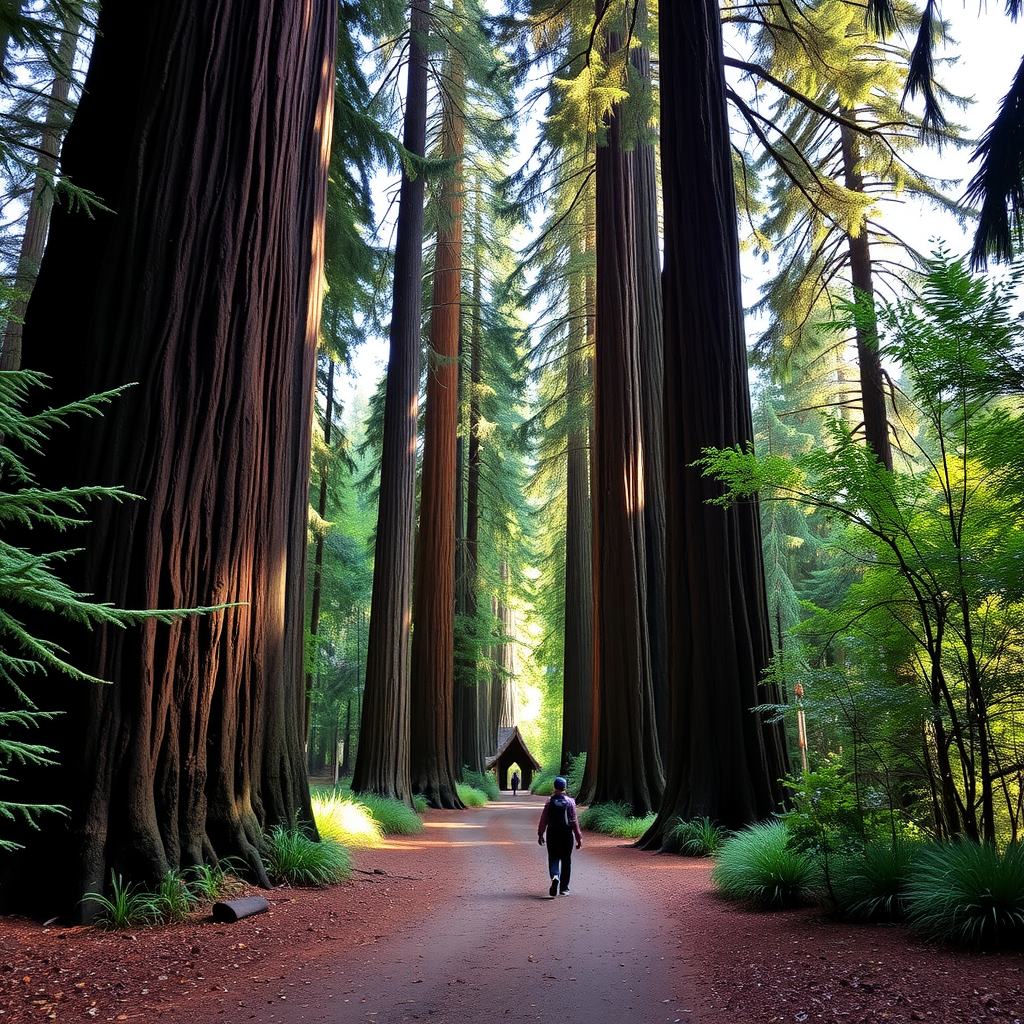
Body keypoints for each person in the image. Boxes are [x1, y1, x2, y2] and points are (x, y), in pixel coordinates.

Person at [537, 776, 582, 896]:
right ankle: (564, 888)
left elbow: (544, 819)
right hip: (567, 833)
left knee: (553, 857)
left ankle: (555, 876)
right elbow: (574, 820)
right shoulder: (570, 802)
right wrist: (578, 837)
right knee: (566, 860)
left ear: (554, 787)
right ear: (565, 787)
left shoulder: (549, 801)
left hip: (552, 832)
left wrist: (541, 834)